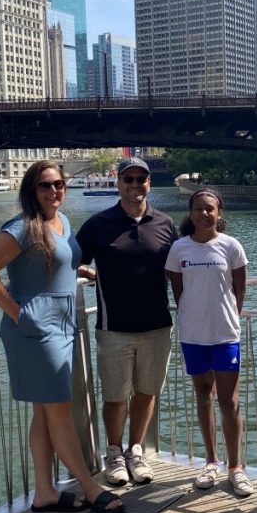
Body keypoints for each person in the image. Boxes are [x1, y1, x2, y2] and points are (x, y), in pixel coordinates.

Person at [0, 160, 124, 513]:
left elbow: (52, 258)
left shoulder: (62, 221)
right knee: (60, 412)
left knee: (44, 412)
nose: (54, 190)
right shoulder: (23, 226)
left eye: (59, 184)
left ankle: (44, 493)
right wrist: (17, 312)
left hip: (62, 325)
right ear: (31, 190)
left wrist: (78, 269)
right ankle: (90, 487)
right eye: (45, 185)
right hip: (36, 330)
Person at [76, 157, 177, 487]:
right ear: (118, 183)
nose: (135, 185)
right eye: (128, 179)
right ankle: (114, 452)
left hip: (157, 325)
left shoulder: (165, 224)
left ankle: (136, 450)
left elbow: (181, 264)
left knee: (147, 392)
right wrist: (87, 271)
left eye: (140, 179)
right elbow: (70, 259)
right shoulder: (98, 224)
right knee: (115, 395)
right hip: (114, 327)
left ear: (149, 183)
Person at [165, 190, 253, 496]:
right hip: (193, 334)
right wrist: (194, 313)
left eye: (210, 209)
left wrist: (228, 316)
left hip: (225, 334)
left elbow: (240, 289)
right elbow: (178, 290)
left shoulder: (231, 246)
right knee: (203, 396)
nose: (204, 214)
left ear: (219, 213)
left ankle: (235, 467)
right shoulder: (179, 248)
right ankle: (212, 462)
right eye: (198, 209)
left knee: (229, 401)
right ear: (190, 213)